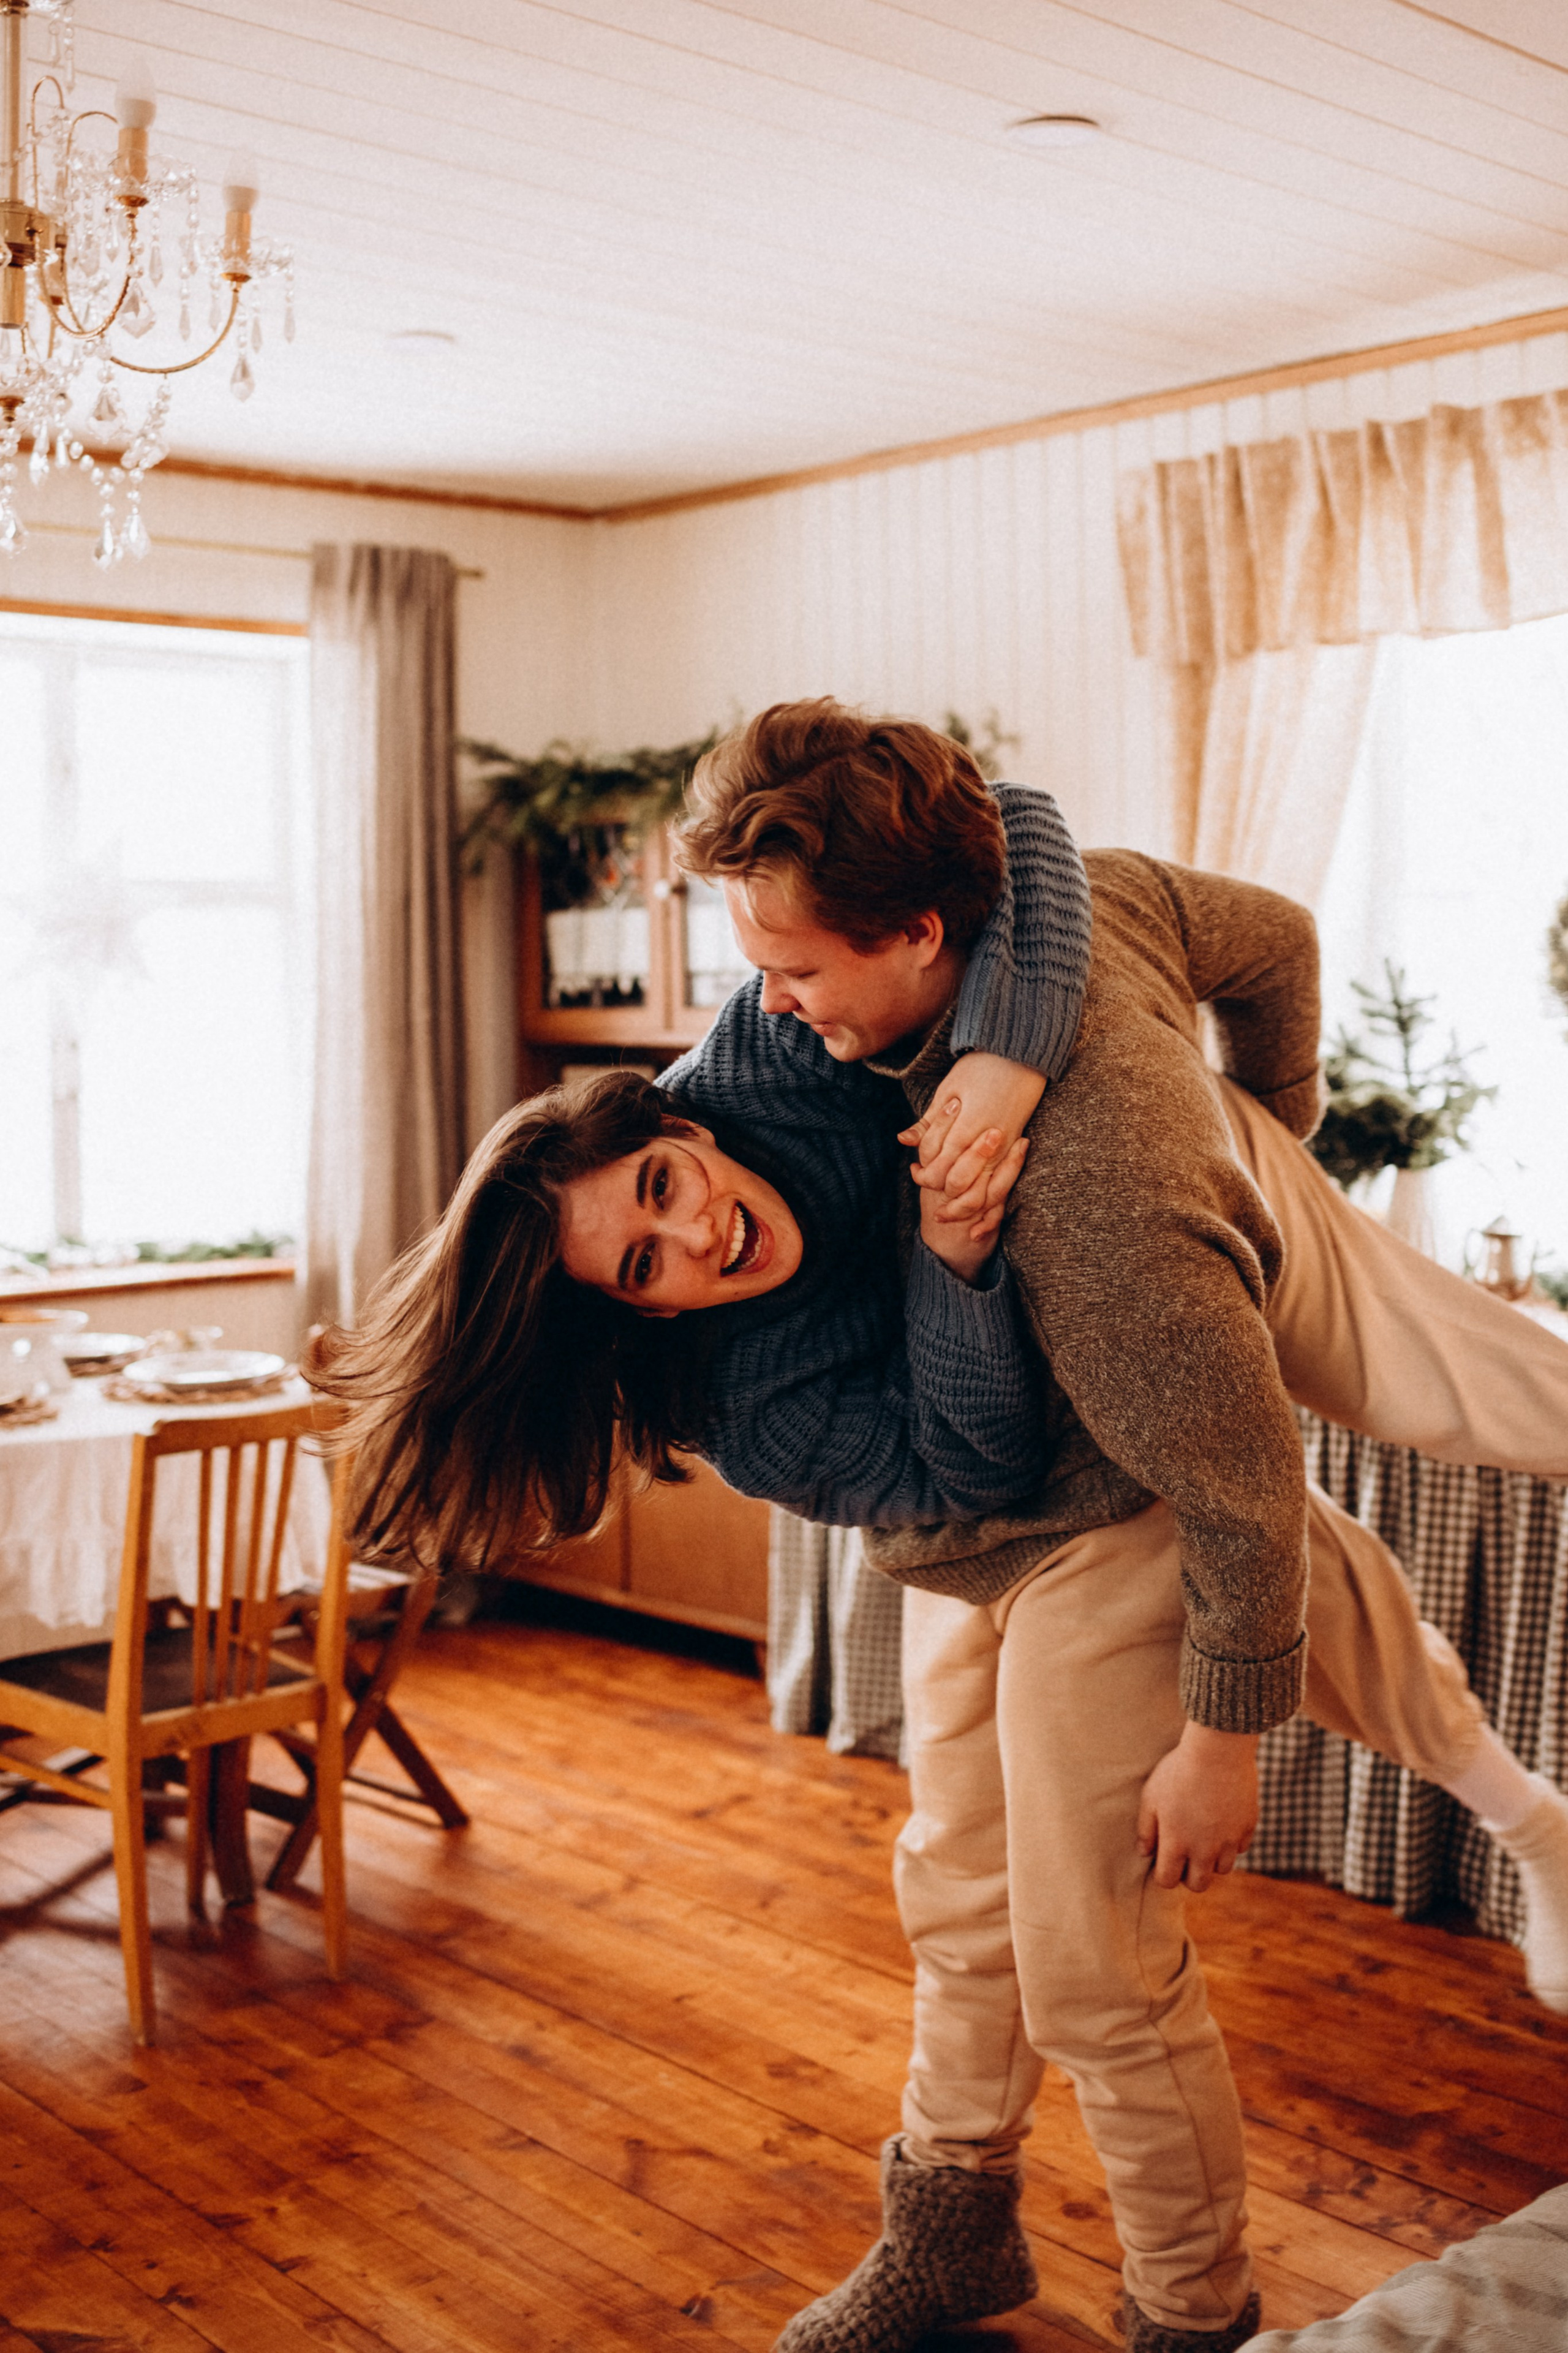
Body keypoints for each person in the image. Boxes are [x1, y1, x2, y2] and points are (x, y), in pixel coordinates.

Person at [668, 700, 1568, 2353]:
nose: (769, 1007)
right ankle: (949, 2225)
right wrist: (1279, 1112)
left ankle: (1192, 2316)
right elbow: (1267, 929)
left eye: (793, 968)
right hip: (987, 1533)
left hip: (1121, 1498)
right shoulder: (957, 969)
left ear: (922, 931)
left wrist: (1223, 1743)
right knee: (957, 1884)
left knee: (1095, 1962)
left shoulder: (1089, 1196)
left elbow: (1241, 1495)